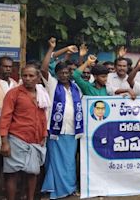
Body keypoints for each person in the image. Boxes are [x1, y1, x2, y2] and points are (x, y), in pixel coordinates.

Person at [0, 63, 50, 200]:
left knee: (32, 173)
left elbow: (43, 117)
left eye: (31, 76)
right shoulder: (13, 94)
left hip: (35, 139)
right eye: (25, 75)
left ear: (38, 78)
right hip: (16, 138)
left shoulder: (42, 94)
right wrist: (4, 142)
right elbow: (5, 118)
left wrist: (43, 135)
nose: (27, 78)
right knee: (12, 174)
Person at [40, 37, 83, 199]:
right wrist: (52, 48)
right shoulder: (52, 84)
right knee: (55, 163)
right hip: (56, 132)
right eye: (61, 73)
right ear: (56, 74)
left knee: (69, 162)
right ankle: (55, 190)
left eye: (67, 72)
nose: (64, 75)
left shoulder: (76, 87)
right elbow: (44, 68)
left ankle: (69, 188)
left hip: (73, 131)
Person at [0, 56, 18, 194]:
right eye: (5, 66)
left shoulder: (15, 84)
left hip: (13, 130)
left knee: (9, 163)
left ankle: (4, 191)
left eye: (10, 66)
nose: (8, 69)